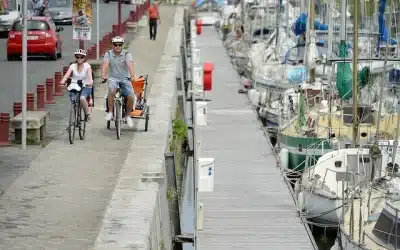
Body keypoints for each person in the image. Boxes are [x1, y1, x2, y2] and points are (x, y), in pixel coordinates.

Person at [101, 36, 136, 128]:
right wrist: (103, 75)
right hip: (113, 78)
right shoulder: (108, 54)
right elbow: (105, 65)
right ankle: (110, 113)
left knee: (131, 96)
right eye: (115, 45)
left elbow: (130, 65)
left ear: (122, 45)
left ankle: (128, 116)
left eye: (120, 45)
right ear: (113, 45)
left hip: (125, 79)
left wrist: (132, 76)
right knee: (111, 92)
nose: (117, 46)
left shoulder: (127, 54)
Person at [60, 49, 93, 121]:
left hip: (85, 86)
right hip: (75, 85)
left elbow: (90, 77)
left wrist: (89, 82)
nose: (79, 59)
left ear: (84, 58)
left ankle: (87, 114)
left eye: (81, 57)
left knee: (82, 98)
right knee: (73, 99)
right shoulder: (72, 66)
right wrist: (62, 81)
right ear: (75, 57)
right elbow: (66, 75)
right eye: (77, 57)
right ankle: (76, 115)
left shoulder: (87, 66)